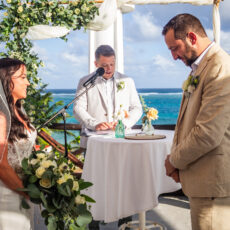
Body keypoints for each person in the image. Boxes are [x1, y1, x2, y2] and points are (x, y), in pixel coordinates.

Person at [163, 13, 230, 230]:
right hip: (202, 180)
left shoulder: (219, 66)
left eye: (175, 48)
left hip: (212, 182)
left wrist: (174, 161)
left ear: (192, 37)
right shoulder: (202, 67)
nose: (173, 56)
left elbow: (207, 133)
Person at [73, 45, 142, 148]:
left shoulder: (127, 81)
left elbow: (137, 108)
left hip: (122, 139)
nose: (109, 69)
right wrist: (95, 124)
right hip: (94, 141)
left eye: (112, 64)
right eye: (105, 65)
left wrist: (124, 124)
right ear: (96, 64)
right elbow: (78, 108)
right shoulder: (85, 82)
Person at [0, 58, 37, 230]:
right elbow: (1, 164)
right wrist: (26, 192)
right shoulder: (0, 116)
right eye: (22, 77)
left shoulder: (19, 109)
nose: (28, 82)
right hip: (7, 194)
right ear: (6, 79)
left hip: (22, 189)